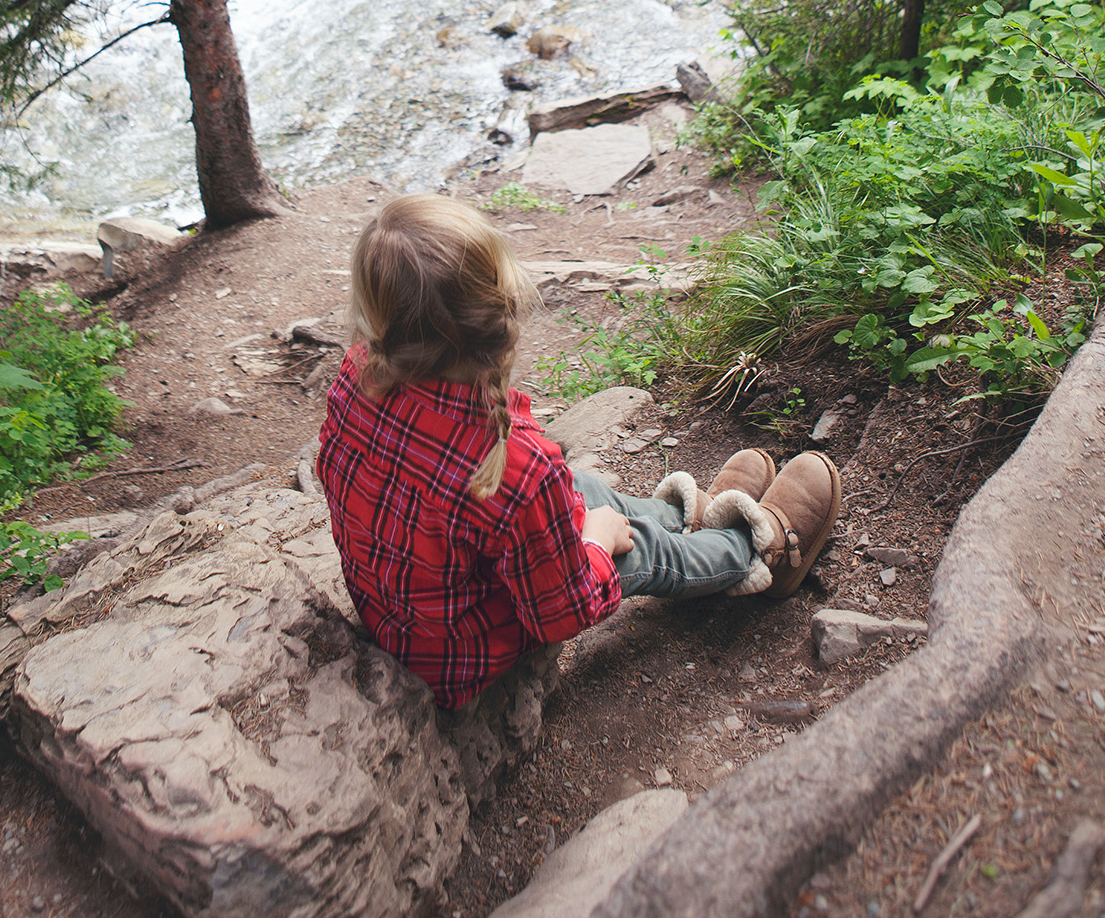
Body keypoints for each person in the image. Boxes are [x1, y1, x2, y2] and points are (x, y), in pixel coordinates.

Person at [317, 192, 841, 711]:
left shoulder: (356, 374)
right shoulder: (518, 468)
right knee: (640, 549)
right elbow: (565, 612)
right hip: (465, 646)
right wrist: (594, 541)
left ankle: (688, 514)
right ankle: (752, 548)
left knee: (578, 488)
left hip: (402, 606)